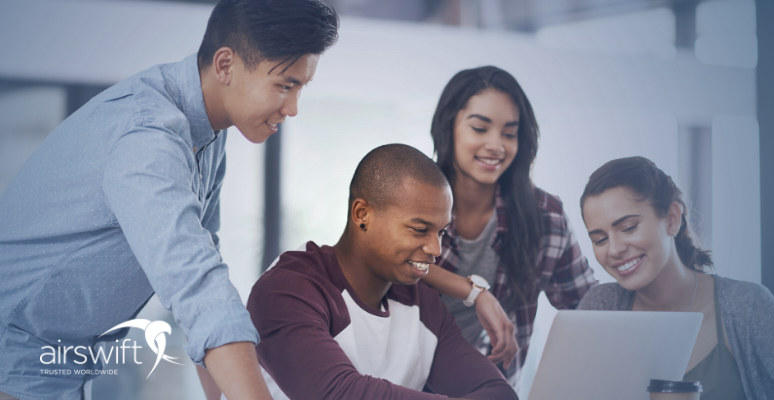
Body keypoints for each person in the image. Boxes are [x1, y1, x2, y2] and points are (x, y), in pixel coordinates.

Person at [0, 1, 338, 399]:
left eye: (300, 87)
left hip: (59, 369)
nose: (293, 108)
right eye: (284, 85)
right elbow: (197, 288)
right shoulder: (149, 136)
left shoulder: (208, 133)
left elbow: (203, 275)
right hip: (15, 364)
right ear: (225, 65)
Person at [244, 144, 518, 400]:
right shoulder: (287, 290)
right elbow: (339, 394)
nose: (436, 249)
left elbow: (498, 392)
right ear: (362, 214)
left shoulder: (423, 305)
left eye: (441, 232)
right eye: (420, 230)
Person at [420, 66, 597, 379]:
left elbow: (589, 309)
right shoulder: (413, 196)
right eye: (479, 128)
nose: (496, 145)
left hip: (487, 388)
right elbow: (381, 263)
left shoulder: (545, 217)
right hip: (400, 383)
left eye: (509, 133)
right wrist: (475, 292)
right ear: (449, 127)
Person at [577, 156, 774, 400]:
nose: (614, 249)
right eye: (600, 239)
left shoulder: (747, 307)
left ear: (672, 218)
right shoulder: (600, 307)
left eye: (629, 227)